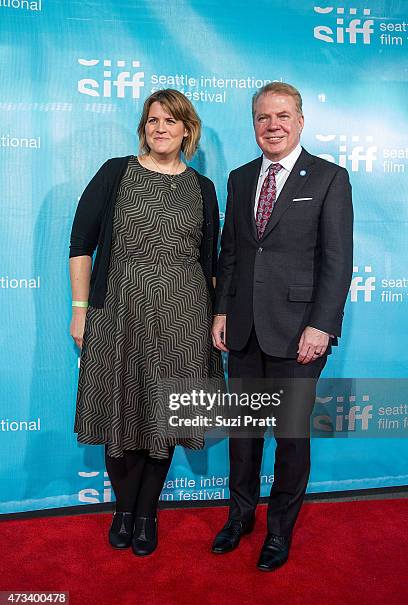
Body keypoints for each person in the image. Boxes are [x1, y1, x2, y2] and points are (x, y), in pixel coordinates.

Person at [69, 89, 222, 556]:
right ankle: (123, 510)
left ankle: (146, 512)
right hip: (118, 314)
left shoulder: (203, 188)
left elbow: (209, 259)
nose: (160, 128)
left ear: (186, 130)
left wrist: (214, 319)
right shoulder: (116, 173)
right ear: (144, 126)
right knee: (119, 414)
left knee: (164, 417)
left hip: (183, 318)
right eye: (153, 120)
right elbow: (81, 243)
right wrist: (80, 309)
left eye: (170, 121)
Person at [211, 82, 353, 571]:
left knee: (291, 438)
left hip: (299, 333)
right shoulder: (240, 176)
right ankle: (240, 517)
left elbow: (338, 261)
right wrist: (222, 311)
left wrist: (322, 325)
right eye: (263, 118)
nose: (273, 126)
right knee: (244, 437)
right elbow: (231, 253)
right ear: (253, 124)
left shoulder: (331, 178)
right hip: (245, 328)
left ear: (300, 121)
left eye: (283, 116)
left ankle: (279, 531)